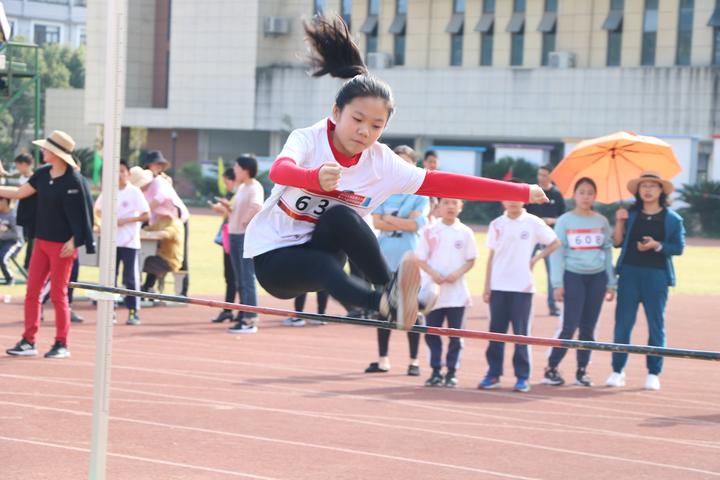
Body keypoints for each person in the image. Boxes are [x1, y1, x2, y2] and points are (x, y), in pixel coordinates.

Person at [244, 16, 548, 334]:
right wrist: (313, 177)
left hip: (322, 246)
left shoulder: (382, 162)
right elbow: (279, 170)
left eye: (376, 126)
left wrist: (521, 192)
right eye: (357, 119)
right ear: (336, 112)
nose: (364, 131)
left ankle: (391, 288)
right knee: (324, 263)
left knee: (342, 218)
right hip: (274, 258)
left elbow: (443, 182)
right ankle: (385, 306)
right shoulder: (309, 138)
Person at [1, 131, 95, 359]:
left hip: (63, 246)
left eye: (45, 148)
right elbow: (19, 193)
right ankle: (28, 340)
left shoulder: (75, 181)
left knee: (58, 295)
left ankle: (61, 343)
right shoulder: (42, 174)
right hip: (41, 242)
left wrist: (75, 241)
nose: (41, 151)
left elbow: (85, 214)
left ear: (57, 153)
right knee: (31, 293)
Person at [606, 171, 685, 391]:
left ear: (661, 191)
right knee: (623, 323)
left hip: (657, 276)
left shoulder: (672, 219)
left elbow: (678, 248)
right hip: (629, 273)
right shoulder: (630, 214)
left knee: (656, 324)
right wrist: (619, 221)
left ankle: (653, 372)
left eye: (653, 186)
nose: (648, 190)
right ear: (638, 191)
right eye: (644, 186)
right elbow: (617, 242)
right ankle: (617, 370)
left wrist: (657, 245)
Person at [479, 182, 560, 393]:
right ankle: (493, 374)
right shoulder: (496, 224)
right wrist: (487, 285)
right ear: (502, 200)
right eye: (508, 195)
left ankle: (522, 376)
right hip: (498, 286)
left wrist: (536, 258)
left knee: (521, 334)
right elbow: (491, 256)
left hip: (522, 287)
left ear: (524, 198)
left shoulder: (533, 222)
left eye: (517, 195)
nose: (513, 200)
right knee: (496, 333)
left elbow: (554, 242)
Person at [541, 178, 616, 387]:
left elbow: (608, 252)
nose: (585, 196)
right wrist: (557, 284)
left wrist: (611, 282)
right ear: (575, 195)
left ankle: (582, 370)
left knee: (589, 328)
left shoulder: (601, 221)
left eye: (590, 193)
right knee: (569, 325)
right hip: (573, 276)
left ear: (595, 196)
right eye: (581, 192)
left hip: (597, 278)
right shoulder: (565, 221)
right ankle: (551, 367)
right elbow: (557, 254)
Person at [364, 145, 430, 376]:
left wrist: (389, 219)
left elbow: (415, 225)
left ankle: (414, 361)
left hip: (410, 261)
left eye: (405, 163)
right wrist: (399, 220)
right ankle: (383, 359)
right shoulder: (383, 190)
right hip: (383, 259)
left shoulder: (420, 195)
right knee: (384, 310)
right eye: (396, 162)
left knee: (413, 311)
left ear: (413, 166)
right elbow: (376, 222)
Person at [417, 198, 476, 387]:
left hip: (457, 294)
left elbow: (471, 259)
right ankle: (435, 370)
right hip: (433, 293)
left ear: (461, 207)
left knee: (455, 335)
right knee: (432, 333)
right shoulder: (429, 231)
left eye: (454, 203)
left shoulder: (465, 232)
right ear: (438, 207)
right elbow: (420, 259)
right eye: (446, 203)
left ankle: (451, 372)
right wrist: (434, 274)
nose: (450, 207)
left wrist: (455, 275)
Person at [94, 160, 151, 325]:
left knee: (130, 278)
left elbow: (146, 215)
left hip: (129, 242)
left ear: (128, 174)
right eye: (116, 171)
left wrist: (126, 220)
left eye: (122, 171)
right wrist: (102, 222)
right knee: (110, 277)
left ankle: (133, 311)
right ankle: (110, 311)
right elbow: (97, 209)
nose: (119, 174)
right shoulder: (109, 191)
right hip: (111, 241)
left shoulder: (134, 192)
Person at [142, 150, 190, 296]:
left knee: (179, 255)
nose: (158, 167)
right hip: (160, 221)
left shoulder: (159, 181)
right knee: (154, 251)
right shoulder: (144, 182)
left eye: (160, 164)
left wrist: (143, 212)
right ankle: (148, 286)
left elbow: (160, 199)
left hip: (175, 220)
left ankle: (182, 291)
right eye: (156, 164)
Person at [225, 155, 264, 334]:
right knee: (240, 278)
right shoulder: (242, 188)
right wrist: (228, 209)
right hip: (234, 235)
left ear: (246, 169)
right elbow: (238, 210)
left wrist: (245, 221)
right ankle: (244, 315)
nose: (234, 169)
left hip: (244, 237)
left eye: (237, 166)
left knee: (247, 278)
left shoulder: (255, 187)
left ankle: (250, 319)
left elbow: (257, 206)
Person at [129, 167, 185, 291]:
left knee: (140, 260)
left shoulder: (174, 222)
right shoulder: (161, 220)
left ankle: (141, 289)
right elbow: (150, 228)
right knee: (141, 257)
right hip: (161, 255)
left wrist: (151, 233)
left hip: (170, 259)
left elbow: (166, 234)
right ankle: (145, 287)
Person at [526, 165, 566, 316]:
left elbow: (562, 217)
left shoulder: (556, 194)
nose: (540, 177)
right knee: (525, 266)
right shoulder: (532, 191)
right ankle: (524, 302)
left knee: (552, 272)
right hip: (531, 238)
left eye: (544, 175)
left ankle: (552, 305)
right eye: (539, 174)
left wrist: (551, 220)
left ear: (551, 176)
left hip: (549, 238)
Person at [209, 167, 238, 323]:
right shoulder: (233, 194)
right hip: (229, 237)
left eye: (226, 182)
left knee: (239, 278)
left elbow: (239, 213)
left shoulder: (242, 193)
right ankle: (228, 310)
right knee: (230, 276)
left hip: (237, 238)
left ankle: (243, 311)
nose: (225, 185)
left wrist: (226, 207)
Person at [13, 153, 36, 271]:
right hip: (17, 213)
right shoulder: (21, 177)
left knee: (26, 240)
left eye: (18, 166)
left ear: (25, 165)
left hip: (28, 215)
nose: (17, 168)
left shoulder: (34, 178)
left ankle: (26, 264)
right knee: (21, 238)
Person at [0, 197, 22, 285]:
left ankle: (10, 278)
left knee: (2, 257)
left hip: (14, 242)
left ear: (5, 201)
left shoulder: (13, 215)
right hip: (2, 241)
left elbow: (17, 235)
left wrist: (2, 234)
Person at [422, 150, 439, 222]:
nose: (432, 165)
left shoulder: (439, 178)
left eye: (434, 162)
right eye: (430, 162)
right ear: (424, 162)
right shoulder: (419, 177)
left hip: (433, 217)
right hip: (420, 215)